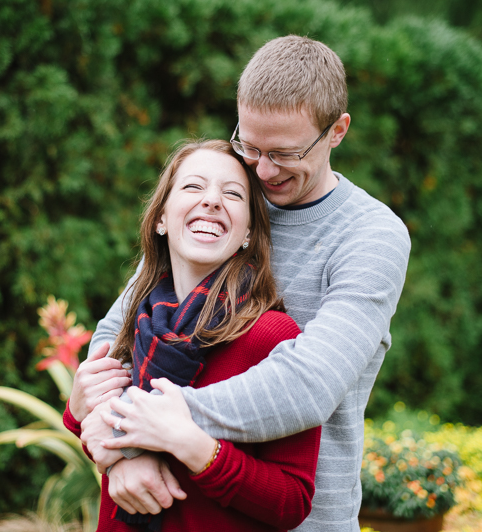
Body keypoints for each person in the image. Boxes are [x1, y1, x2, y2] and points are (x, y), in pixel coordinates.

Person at [83, 35, 411, 531]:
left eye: (283, 153)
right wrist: (122, 452)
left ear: (337, 131)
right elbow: (120, 327)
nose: (261, 169)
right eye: (249, 145)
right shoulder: (228, 197)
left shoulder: (371, 236)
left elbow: (308, 383)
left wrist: (154, 426)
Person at [63, 139, 321, 532]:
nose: (212, 200)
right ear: (160, 219)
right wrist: (78, 411)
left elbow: (292, 501)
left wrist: (191, 445)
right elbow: (101, 432)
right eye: (193, 187)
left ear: (249, 232)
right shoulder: (134, 323)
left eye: (232, 194)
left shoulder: (273, 337)